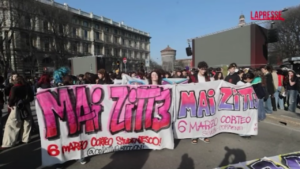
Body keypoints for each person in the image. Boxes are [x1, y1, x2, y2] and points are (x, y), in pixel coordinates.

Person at [190, 61, 213, 144]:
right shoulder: (193, 77)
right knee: (195, 118)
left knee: (204, 118)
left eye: (205, 69)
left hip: (205, 100)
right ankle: (194, 136)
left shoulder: (207, 77)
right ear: (198, 69)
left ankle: (203, 135)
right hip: (195, 100)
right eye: (202, 69)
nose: (204, 71)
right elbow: (187, 87)